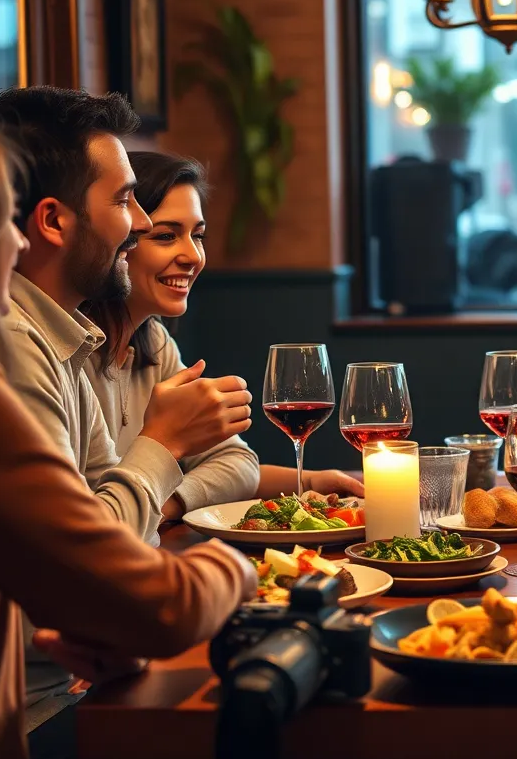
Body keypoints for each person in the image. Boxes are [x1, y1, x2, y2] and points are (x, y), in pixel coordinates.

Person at [0, 110, 419, 759]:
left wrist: (69, 622)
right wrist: (258, 570)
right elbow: (160, 603)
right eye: (0, 218)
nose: (15, 242)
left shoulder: (16, 357)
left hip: (19, 737)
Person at [0, 87, 253, 731]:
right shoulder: (12, 344)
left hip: (78, 683)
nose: (135, 225)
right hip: (26, 725)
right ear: (53, 220)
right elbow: (89, 570)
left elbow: (118, 538)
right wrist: (163, 446)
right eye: (125, 201)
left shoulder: (68, 335)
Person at [82, 150, 362, 521]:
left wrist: (309, 481)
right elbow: (94, 520)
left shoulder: (155, 344)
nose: (192, 256)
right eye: (166, 236)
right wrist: (160, 507)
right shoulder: (72, 356)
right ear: (121, 240)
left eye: (197, 236)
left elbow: (236, 461)